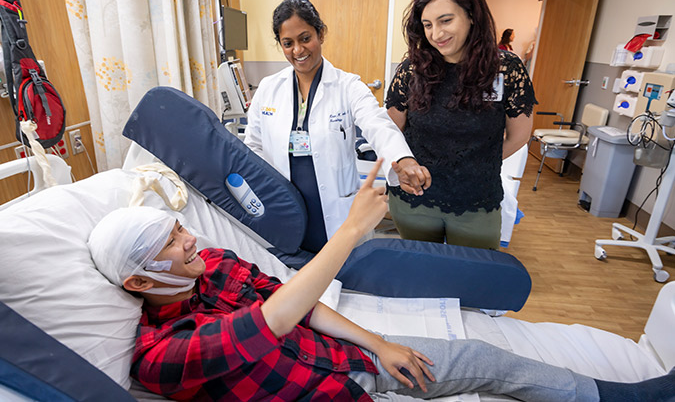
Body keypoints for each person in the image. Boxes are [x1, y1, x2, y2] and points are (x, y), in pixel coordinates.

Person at [87, 161, 675, 402]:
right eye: (169, 242)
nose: (189, 240)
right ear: (139, 280)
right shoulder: (160, 356)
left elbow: (302, 303)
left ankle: (629, 394)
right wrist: (347, 234)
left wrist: (377, 343)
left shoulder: (213, 268)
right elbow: (272, 321)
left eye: (178, 228)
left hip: (351, 360)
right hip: (332, 394)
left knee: (490, 359)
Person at [244, 0, 431, 254]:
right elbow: (253, 145)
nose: (298, 50)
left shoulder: (348, 86)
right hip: (284, 204)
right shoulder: (268, 88)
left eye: (305, 38)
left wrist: (404, 160)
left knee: (341, 273)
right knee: (294, 273)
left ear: (320, 34)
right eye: (288, 43)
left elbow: (377, 124)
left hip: (333, 208)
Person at [385, 0, 536, 249]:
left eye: (446, 20)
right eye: (428, 24)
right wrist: (405, 165)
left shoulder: (506, 69)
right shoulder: (412, 69)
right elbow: (390, 131)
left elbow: (519, 136)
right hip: (416, 198)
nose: (436, 34)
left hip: (476, 201)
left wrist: (476, 163)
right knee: (422, 276)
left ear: (471, 16)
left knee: (470, 279)